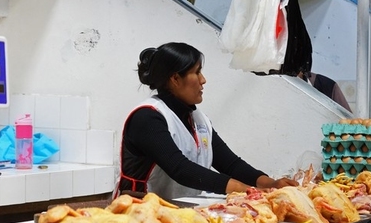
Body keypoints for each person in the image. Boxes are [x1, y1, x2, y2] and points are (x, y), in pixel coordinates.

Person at [116, 42, 298, 200]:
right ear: (175, 79)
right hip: (138, 211)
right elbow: (180, 169)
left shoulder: (199, 120)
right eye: (197, 72)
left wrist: (272, 184)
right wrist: (246, 190)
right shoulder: (148, 117)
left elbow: (230, 164)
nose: (203, 80)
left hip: (178, 214)